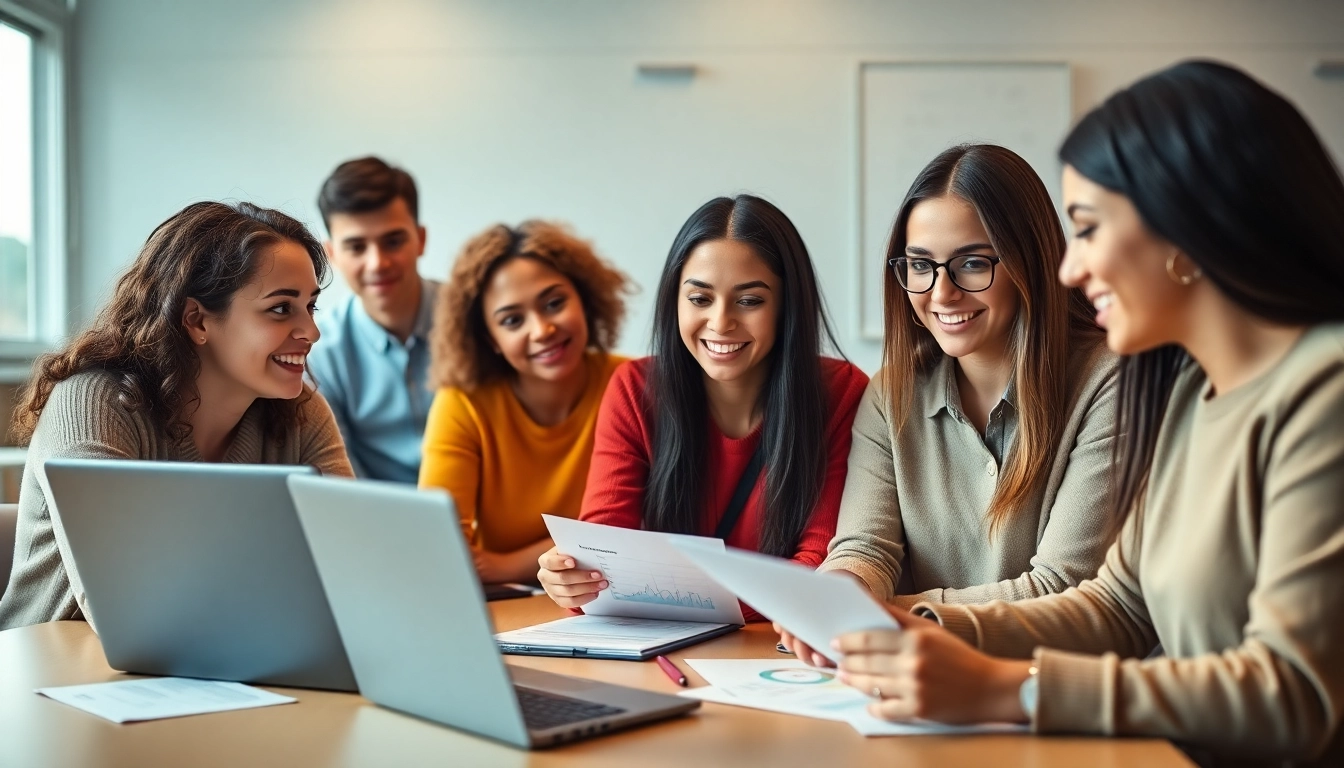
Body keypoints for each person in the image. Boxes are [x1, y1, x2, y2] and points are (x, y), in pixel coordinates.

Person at [823, 61, 1344, 766]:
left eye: (1090, 229)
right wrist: (924, 625)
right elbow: (1120, 608)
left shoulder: (1325, 388)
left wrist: (1015, 689)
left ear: (1188, 230)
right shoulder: (1189, 387)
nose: (1069, 270)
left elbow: (1294, 697)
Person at [784, 145, 1116, 651]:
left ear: (1030, 260)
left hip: (1048, 693)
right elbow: (865, 547)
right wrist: (842, 588)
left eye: (972, 263)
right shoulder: (890, 393)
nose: (941, 293)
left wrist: (878, 615)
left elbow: (1063, 591)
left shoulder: (1106, 380)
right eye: (921, 266)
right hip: (915, 685)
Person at [0, 202, 353, 630]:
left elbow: (349, 573)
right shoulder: (94, 403)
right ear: (197, 320)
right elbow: (124, 599)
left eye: (310, 307)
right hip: (50, 676)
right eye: (281, 308)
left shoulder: (301, 414)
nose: (311, 332)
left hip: (223, 665)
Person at [536, 194, 868, 620]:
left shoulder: (840, 393)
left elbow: (820, 569)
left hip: (776, 655)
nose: (720, 322)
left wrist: (659, 596)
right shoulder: (636, 389)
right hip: (664, 654)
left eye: (750, 301)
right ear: (675, 301)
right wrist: (572, 580)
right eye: (700, 299)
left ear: (787, 306)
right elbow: (603, 558)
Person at [419, 221, 633, 584]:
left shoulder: (633, 382)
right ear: (491, 339)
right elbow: (438, 547)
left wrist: (505, 566)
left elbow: (644, 531)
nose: (541, 329)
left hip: (615, 602)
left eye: (554, 303)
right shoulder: (462, 403)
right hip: (510, 613)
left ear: (584, 298)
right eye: (513, 320)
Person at [305, 156, 438, 482]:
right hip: (384, 522)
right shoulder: (319, 354)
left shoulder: (479, 321)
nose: (377, 263)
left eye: (393, 241)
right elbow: (341, 475)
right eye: (356, 247)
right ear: (332, 254)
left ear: (420, 240)